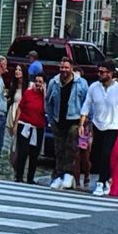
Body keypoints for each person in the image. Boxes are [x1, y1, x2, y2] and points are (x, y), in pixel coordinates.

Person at [78, 59, 118, 196]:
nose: (99, 74)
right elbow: (87, 104)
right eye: (99, 71)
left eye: (103, 72)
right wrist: (82, 122)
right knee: (96, 154)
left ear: (110, 73)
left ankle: (101, 183)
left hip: (112, 126)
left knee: (106, 153)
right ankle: (107, 179)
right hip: (98, 124)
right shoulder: (94, 87)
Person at [44, 56, 89, 190]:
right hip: (59, 120)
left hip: (74, 120)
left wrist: (84, 119)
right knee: (59, 149)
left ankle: (69, 174)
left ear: (72, 69)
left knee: (71, 148)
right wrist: (51, 119)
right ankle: (58, 175)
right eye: (62, 67)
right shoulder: (54, 82)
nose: (64, 70)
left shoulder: (81, 83)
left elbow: (87, 102)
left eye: (66, 68)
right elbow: (48, 101)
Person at [14, 67, 46, 184]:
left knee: (34, 153)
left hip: (38, 127)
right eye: (36, 81)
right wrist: (16, 123)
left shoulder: (45, 96)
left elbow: (47, 109)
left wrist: (44, 93)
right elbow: (20, 108)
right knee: (23, 151)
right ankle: (19, 175)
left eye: (40, 82)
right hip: (25, 124)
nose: (38, 84)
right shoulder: (28, 93)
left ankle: (30, 177)